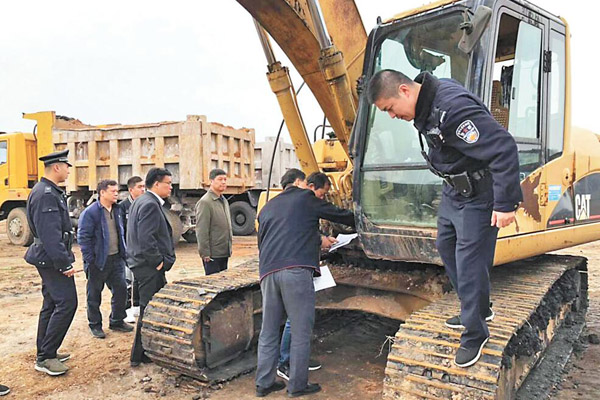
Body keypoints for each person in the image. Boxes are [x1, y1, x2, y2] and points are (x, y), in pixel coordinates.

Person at [367, 69, 522, 367]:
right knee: (446, 247)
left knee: (469, 264)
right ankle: (478, 308)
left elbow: (503, 147)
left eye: (389, 109)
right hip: (454, 191)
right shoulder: (427, 102)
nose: (391, 116)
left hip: (479, 193)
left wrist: (505, 204)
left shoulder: (452, 111)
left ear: (404, 91)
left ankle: (475, 333)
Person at [255, 168, 355, 397]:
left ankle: (264, 383)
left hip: (268, 273)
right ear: (300, 182)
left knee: (269, 331)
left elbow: (269, 240)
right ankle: (297, 385)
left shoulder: (268, 207)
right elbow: (338, 214)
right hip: (295, 272)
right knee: (300, 330)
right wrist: (363, 219)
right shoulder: (305, 197)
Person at [277, 172, 336, 381]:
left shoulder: (302, 207)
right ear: (307, 185)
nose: (321, 199)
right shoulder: (297, 205)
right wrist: (320, 240)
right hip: (293, 269)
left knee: (299, 318)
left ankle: (296, 359)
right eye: (321, 195)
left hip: (300, 267)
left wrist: (321, 238)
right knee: (296, 318)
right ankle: (285, 362)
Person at [24, 149, 77, 376]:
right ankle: (46, 357)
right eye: (66, 166)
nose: (67, 170)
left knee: (52, 304)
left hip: (49, 257)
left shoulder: (49, 191)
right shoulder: (46, 193)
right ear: (57, 167)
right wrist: (64, 264)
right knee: (67, 304)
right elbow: (50, 234)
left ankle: (45, 353)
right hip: (51, 259)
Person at [126, 168, 176, 367]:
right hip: (148, 267)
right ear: (157, 184)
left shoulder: (142, 200)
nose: (171, 187)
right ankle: (139, 354)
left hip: (143, 265)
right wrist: (158, 262)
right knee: (149, 309)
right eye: (168, 183)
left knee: (152, 308)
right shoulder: (149, 204)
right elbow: (146, 238)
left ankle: (146, 350)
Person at [78, 179, 133, 338]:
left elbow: (121, 231)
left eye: (117, 191)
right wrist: (91, 260)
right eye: (113, 191)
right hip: (98, 261)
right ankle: (95, 325)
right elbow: (84, 238)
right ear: (102, 193)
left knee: (121, 290)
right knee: (94, 295)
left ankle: (117, 320)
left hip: (116, 259)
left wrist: (124, 253)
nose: (116, 193)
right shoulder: (91, 213)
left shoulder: (117, 209)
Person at [195, 168, 233, 275]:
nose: (223, 182)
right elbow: (202, 230)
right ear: (211, 181)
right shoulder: (205, 202)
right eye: (220, 179)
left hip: (223, 252)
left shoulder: (223, 200)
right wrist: (205, 253)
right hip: (213, 255)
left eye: (225, 179)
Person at [119, 176, 145, 323]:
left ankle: (137, 306)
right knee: (127, 281)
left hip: (141, 251)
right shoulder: (123, 207)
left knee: (139, 279)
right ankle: (127, 310)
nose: (143, 189)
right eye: (139, 187)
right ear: (131, 190)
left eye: (144, 187)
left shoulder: (145, 204)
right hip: (128, 251)